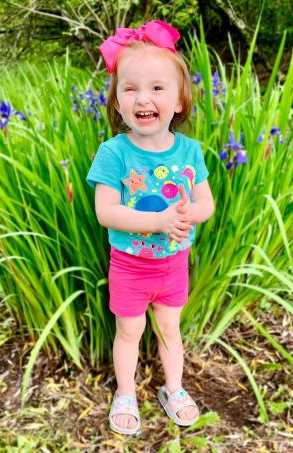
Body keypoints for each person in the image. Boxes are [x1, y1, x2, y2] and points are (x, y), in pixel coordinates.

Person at [86, 20, 215, 435]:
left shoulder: (190, 151)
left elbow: (206, 202)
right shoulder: (114, 152)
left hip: (174, 263)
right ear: (118, 102)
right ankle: (126, 392)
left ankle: (173, 388)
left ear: (179, 100)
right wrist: (158, 220)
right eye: (130, 88)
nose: (143, 98)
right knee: (129, 331)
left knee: (170, 329)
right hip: (130, 265)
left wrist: (189, 214)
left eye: (157, 88)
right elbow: (106, 211)